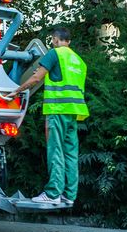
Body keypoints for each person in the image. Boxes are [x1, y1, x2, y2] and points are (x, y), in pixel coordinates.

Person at [9, 26, 89, 206]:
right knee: (70, 153)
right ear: (69, 41)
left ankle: (53, 192)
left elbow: (36, 78)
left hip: (57, 110)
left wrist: (16, 91)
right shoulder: (79, 61)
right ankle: (69, 194)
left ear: (54, 40)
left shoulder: (54, 54)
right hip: (73, 112)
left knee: (56, 151)